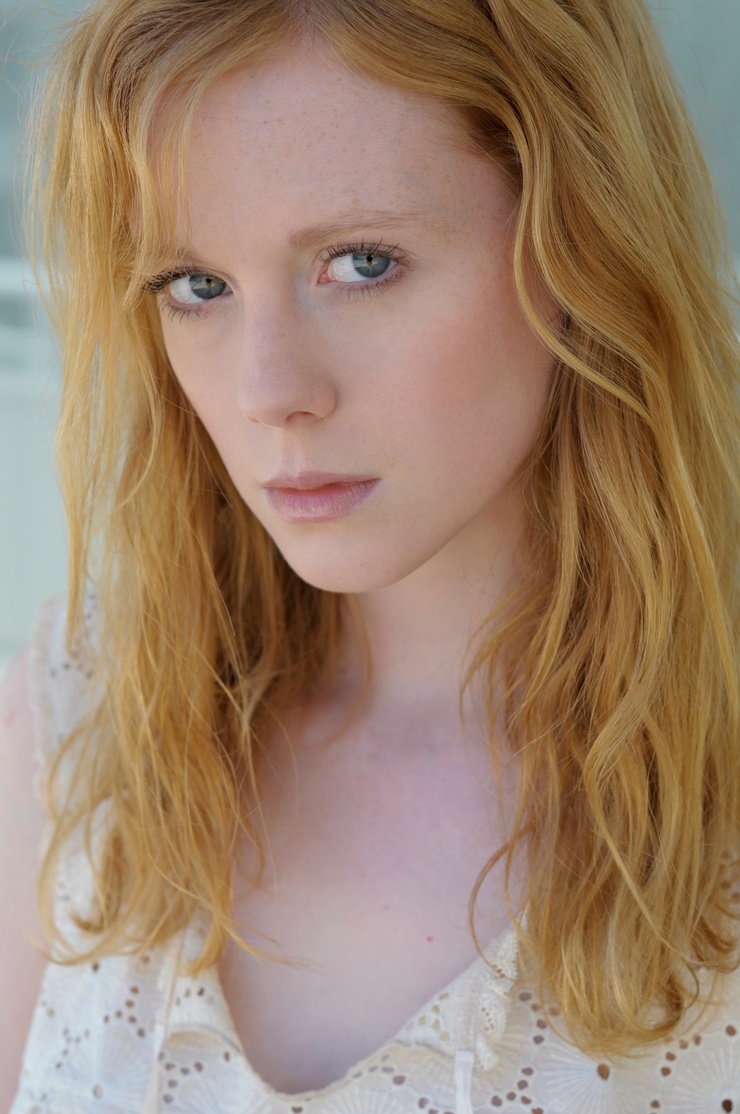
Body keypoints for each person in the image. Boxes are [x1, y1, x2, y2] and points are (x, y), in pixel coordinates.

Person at [2, 0, 739, 1109]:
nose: (267, 391)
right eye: (196, 286)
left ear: (580, 244)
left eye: (360, 262)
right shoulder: (85, 719)